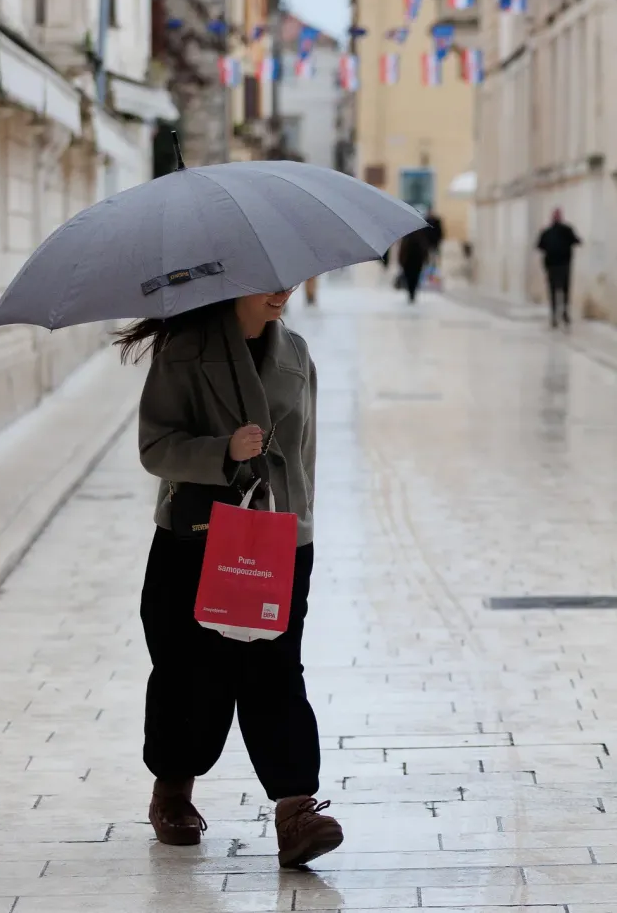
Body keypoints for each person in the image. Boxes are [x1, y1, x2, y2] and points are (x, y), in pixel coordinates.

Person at [115, 289, 343, 869]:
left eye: (288, 278)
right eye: (268, 279)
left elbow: (304, 455)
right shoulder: (184, 351)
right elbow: (155, 446)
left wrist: (301, 529)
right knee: (187, 670)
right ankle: (172, 792)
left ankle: (296, 811)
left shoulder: (294, 352)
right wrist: (223, 450)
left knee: (276, 669)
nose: (283, 290)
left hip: (277, 540)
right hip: (195, 538)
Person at [536, 208, 581, 327]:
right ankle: (559, 314)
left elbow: (540, 246)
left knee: (555, 290)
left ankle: (559, 314)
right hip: (560, 265)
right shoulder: (565, 230)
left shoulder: (549, 232)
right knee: (562, 290)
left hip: (555, 265)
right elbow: (577, 241)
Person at [398, 230, 429, 303]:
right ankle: (412, 292)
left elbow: (402, 249)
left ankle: (411, 292)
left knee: (411, 278)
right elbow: (424, 249)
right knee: (414, 277)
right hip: (415, 261)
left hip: (411, 261)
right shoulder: (421, 236)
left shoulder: (407, 236)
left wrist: (401, 260)